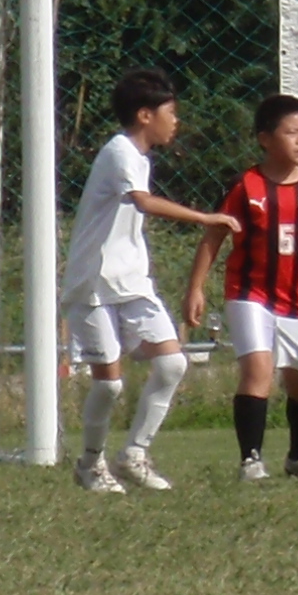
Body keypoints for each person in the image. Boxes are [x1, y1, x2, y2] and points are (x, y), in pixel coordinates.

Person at [62, 68, 228, 495]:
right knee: (110, 381)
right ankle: (90, 463)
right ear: (144, 115)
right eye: (170, 113)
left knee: (173, 363)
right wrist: (204, 217)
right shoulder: (119, 152)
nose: (176, 122)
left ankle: (133, 453)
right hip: (94, 283)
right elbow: (143, 202)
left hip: (131, 279)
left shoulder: (139, 156)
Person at [186, 92, 298, 484]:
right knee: (259, 369)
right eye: (291, 132)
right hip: (250, 294)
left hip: (297, 301)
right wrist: (195, 288)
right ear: (265, 138)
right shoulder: (246, 186)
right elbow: (213, 236)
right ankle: (251, 461)